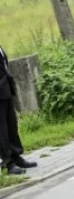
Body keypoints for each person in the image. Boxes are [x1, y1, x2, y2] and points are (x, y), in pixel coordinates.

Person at [0, 44, 34, 175]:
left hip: (6, 90)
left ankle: (16, 156)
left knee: (11, 126)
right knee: (1, 130)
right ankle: (8, 162)